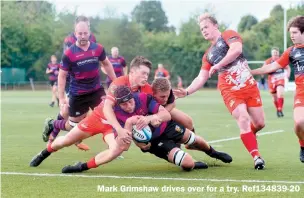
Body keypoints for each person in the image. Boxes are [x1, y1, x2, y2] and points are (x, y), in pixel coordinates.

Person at [173, 13, 266, 170]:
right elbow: (201, 77)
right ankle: (257, 157)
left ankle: (249, 135)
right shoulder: (208, 55)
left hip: (249, 86)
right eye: (201, 29)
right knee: (243, 118)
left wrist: (218, 65)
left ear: (215, 25)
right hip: (230, 89)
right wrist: (187, 91)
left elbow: (236, 50)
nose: (203, 30)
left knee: (260, 123)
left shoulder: (228, 35)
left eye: (206, 27)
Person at [42, 15, 116, 151]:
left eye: (85, 32)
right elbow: (63, 74)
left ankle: (113, 147)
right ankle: (54, 128)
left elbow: (104, 62)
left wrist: (115, 81)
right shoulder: (69, 48)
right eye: (80, 33)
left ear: (89, 30)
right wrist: (63, 97)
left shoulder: (96, 45)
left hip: (95, 89)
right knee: (68, 115)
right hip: (75, 86)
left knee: (108, 114)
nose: (83, 35)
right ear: (75, 32)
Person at [251, 16, 304, 163]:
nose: (292, 36)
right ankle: (303, 146)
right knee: (299, 123)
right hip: (301, 94)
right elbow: (272, 66)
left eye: (295, 32)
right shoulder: (291, 51)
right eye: (290, 33)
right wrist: (252, 72)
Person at [263, 47, 291, 117]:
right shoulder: (268, 61)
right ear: (272, 54)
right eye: (274, 53)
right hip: (271, 79)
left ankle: (280, 109)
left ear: (278, 53)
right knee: (274, 97)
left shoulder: (281, 60)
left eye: (276, 53)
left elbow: (288, 68)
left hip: (280, 78)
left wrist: (287, 74)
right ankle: (278, 109)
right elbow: (263, 69)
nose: (275, 55)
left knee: (280, 93)